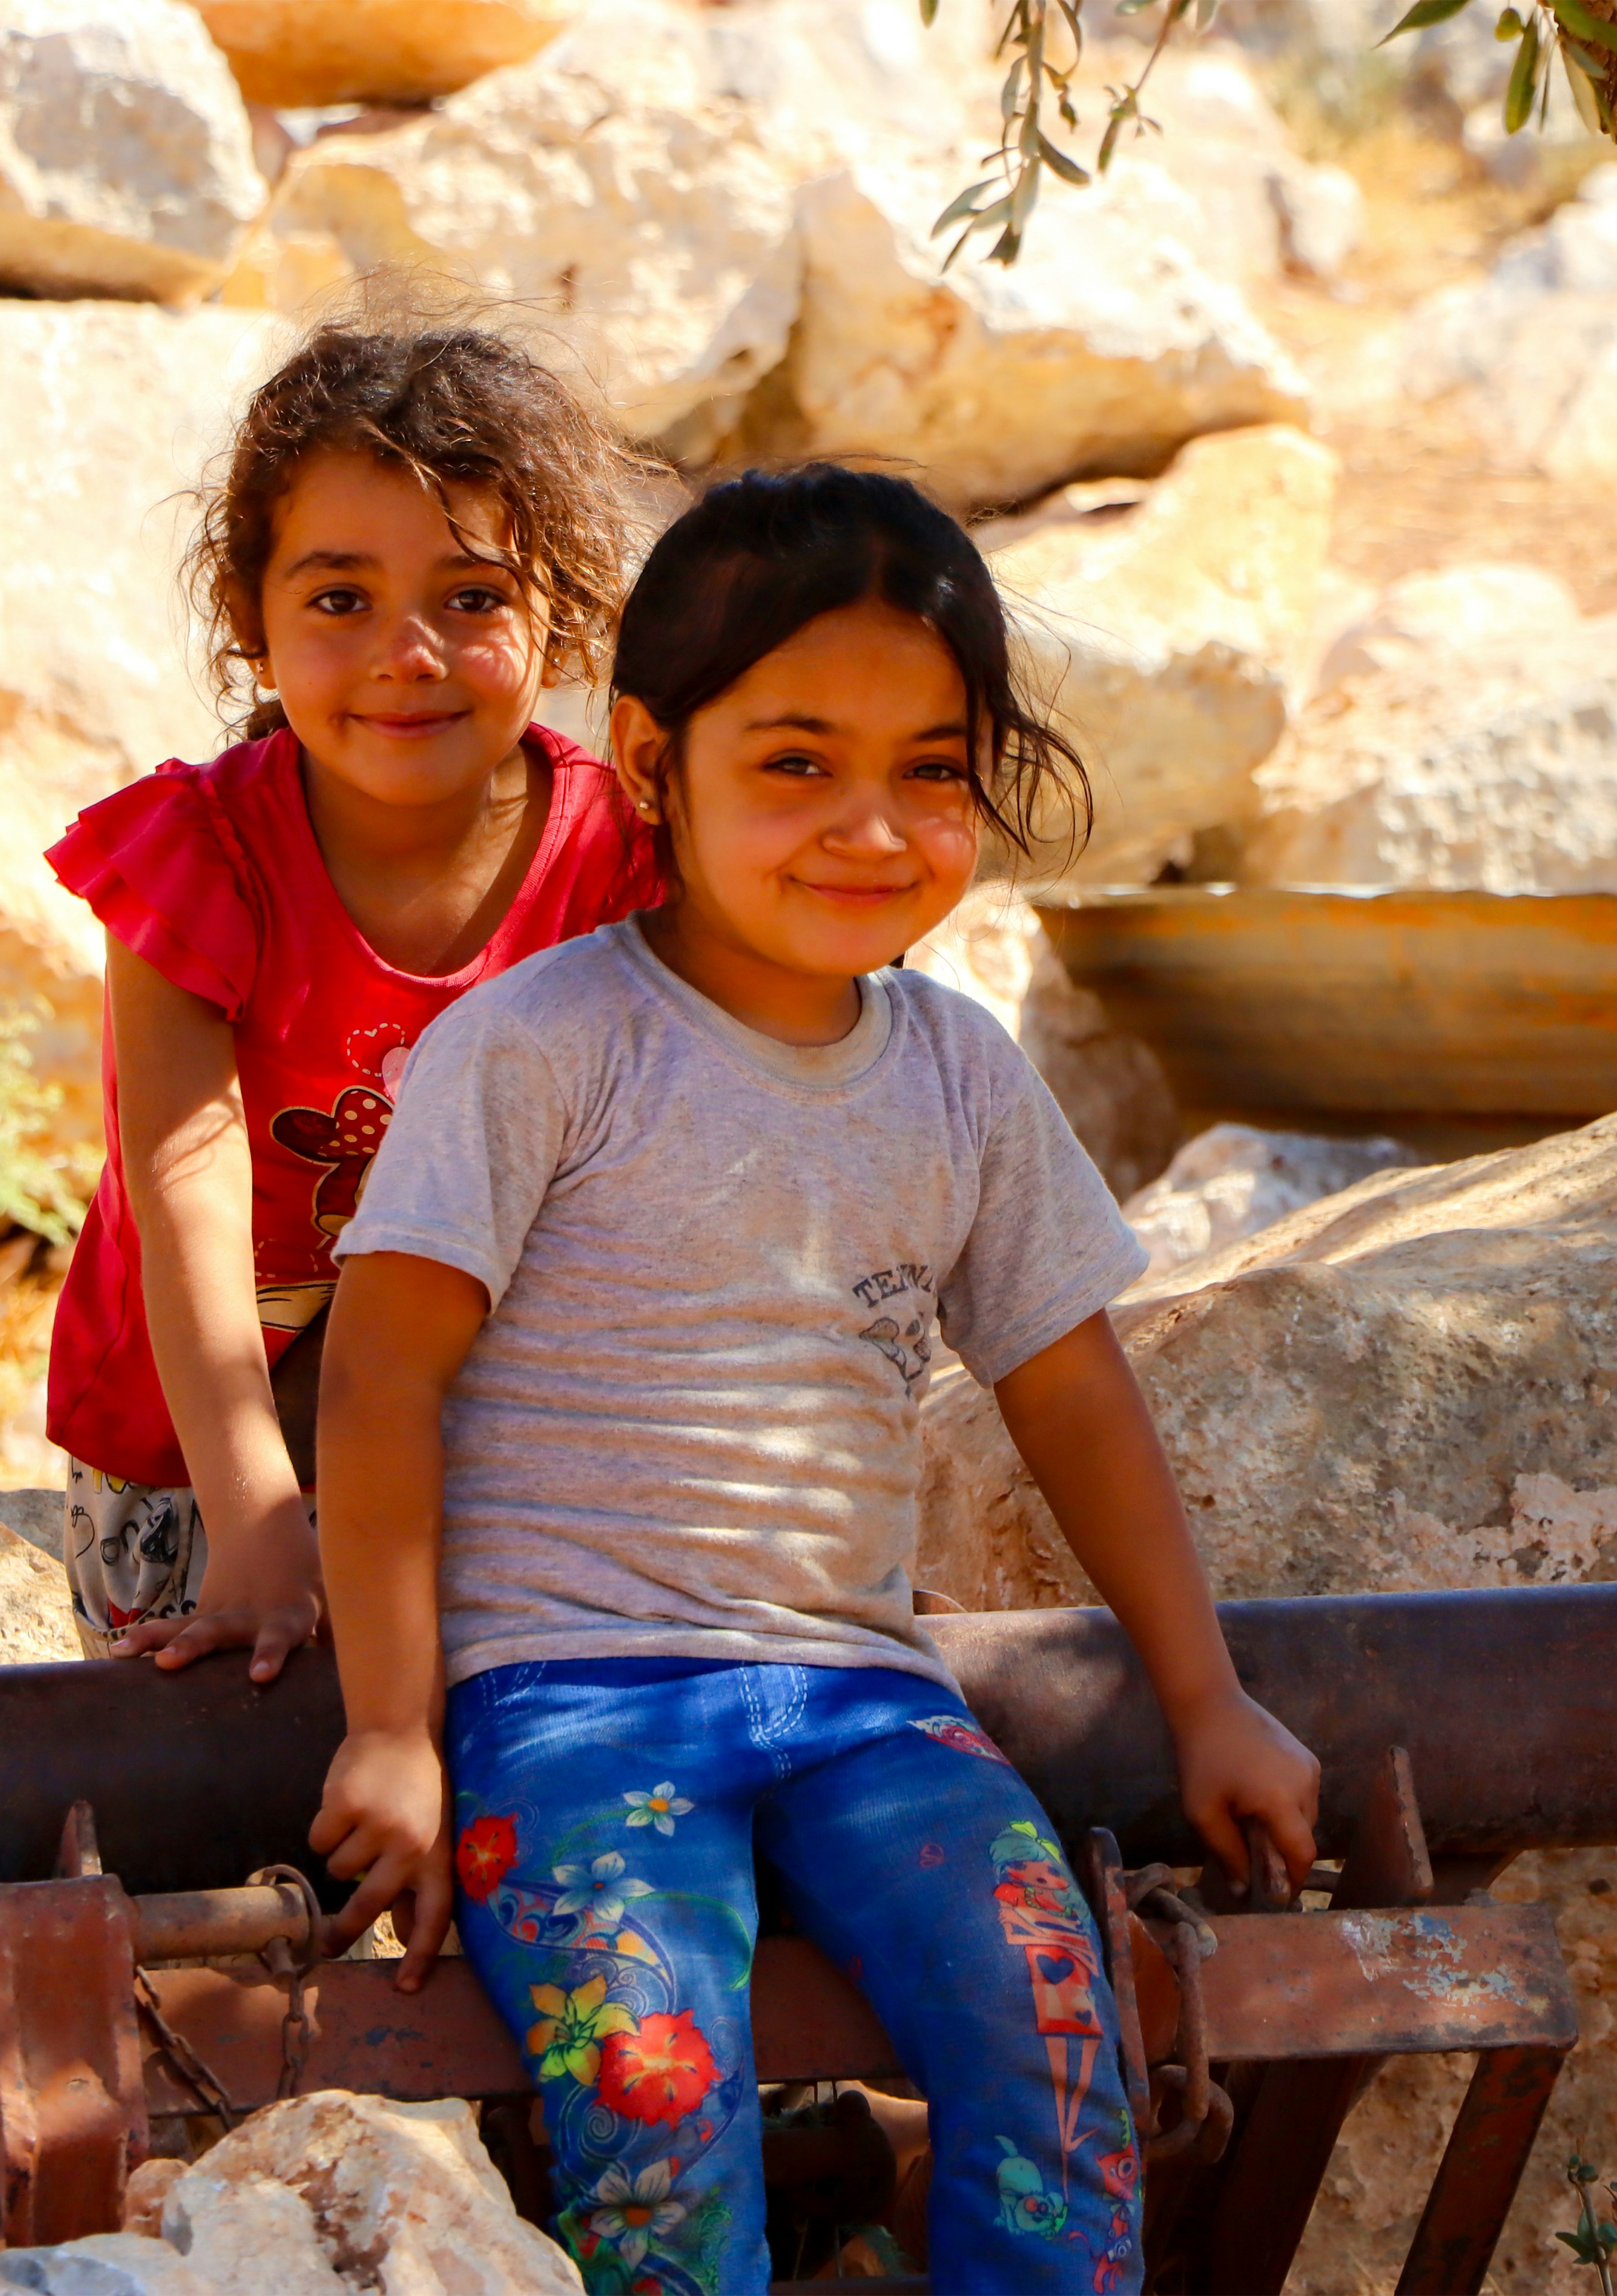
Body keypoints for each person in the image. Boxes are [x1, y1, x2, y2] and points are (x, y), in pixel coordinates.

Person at [306, 465, 1323, 2294]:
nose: (871, 826)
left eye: (931, 769)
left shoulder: (958, 1075)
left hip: (863, 1702)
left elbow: (1073, 1392)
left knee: (1058, 2041)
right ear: (645, 757)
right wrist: (393, 1725)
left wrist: (1211, 1701)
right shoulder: (542, 1050)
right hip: (575, 1701)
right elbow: (380, 1383)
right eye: (794, 763)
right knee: (656, 2105)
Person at [40, 322, 658, 1673]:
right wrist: (257, 1512)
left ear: (560, 608)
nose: (407, 653)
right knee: (207, 1787)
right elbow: (181, 1181)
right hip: (201, 1429)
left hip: (504, 1432)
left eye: (471, 598)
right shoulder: (201, 858)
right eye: (339, 602)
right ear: (249, 626)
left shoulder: (624, 858)